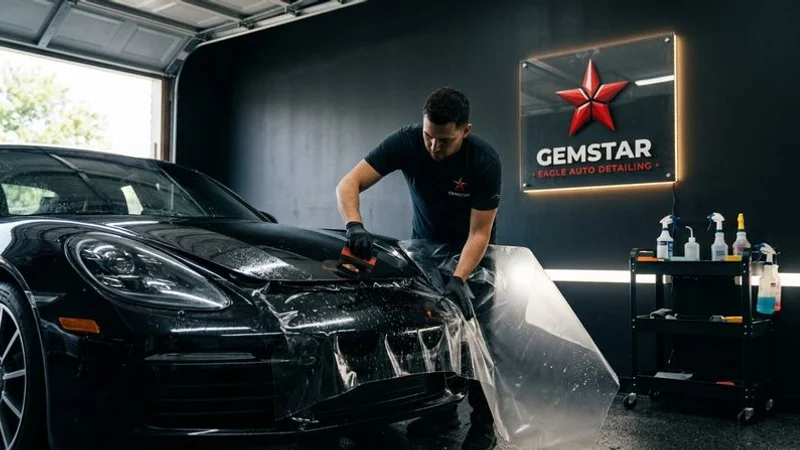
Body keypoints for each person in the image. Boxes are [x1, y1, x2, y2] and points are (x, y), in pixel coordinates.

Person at [335, 86, 502, 450]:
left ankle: (483, 425)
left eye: (444, 140)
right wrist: (354, 225)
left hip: (474, 257)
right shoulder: (407, 141)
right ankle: (438, 413)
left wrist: (460, 277)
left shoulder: (483, 160)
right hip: (425, 253)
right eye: (429, 136)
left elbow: (480, 232)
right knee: (432, 335)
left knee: (480, 341)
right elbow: (349, 183)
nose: (434, 148)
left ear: (465, 131)